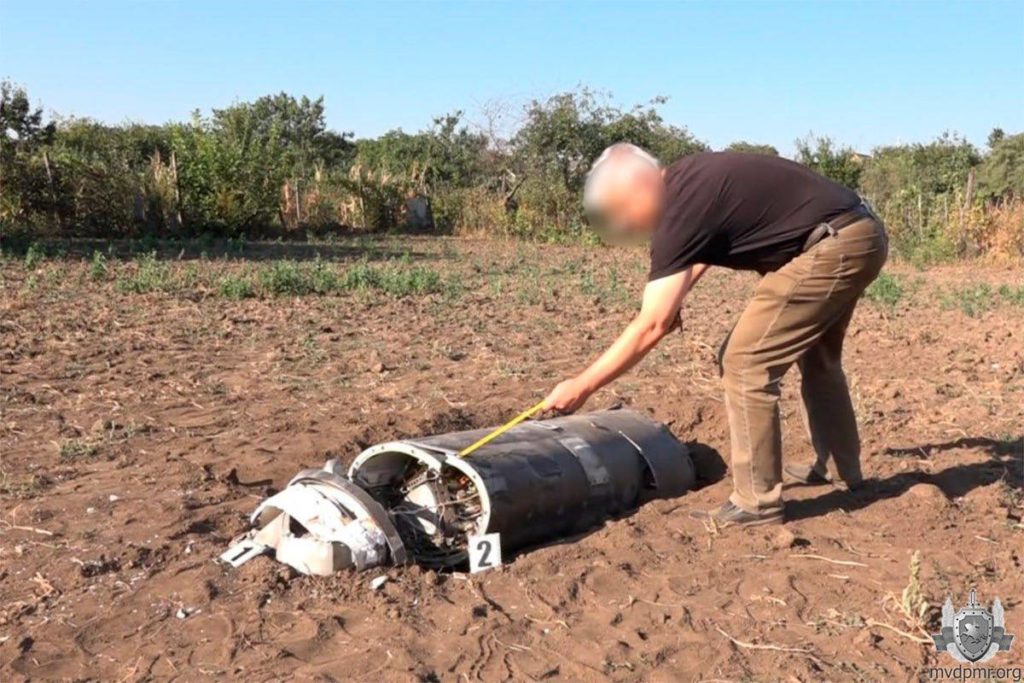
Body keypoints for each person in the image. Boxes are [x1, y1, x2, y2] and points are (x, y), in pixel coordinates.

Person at [542, 144, 888, 527]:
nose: (625, 225)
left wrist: (580, 386)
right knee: (819, 359)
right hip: (857, 233)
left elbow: (651, 325)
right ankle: (842, 470)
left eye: (623, 210)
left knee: (744, 361)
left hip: (831, 244)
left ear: (642, 184)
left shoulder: (676, 209)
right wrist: (676, 299)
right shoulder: (689, 183)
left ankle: (757, 502)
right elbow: (706, 246)